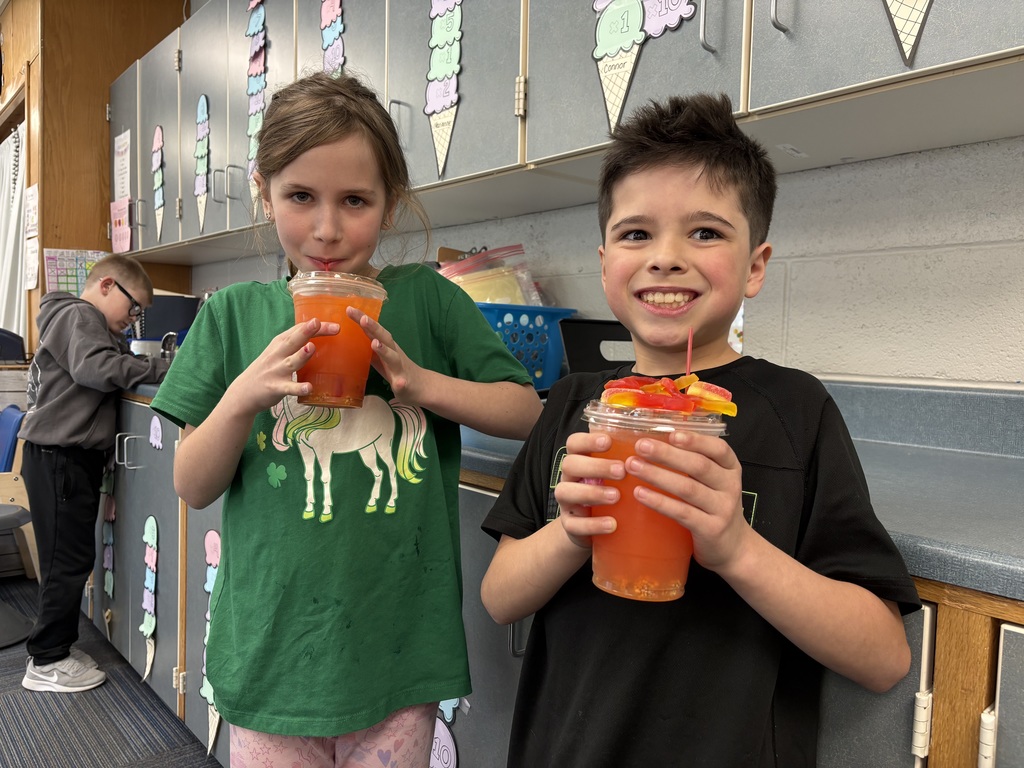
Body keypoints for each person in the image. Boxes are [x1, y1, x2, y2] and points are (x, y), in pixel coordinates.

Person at [480, 93, 921, 767]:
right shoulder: (572, 406)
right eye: (636, 234)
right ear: (604, 262)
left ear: (755, 266)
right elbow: (499, 598)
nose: (666, 257)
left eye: (706, 233)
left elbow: (884, 657)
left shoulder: (795, 412)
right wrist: (571, 532)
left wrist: (737, 549)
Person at [150, 71, 542, 768]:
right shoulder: (231, 316)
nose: (327, 229)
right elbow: (192, 484)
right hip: (271, 658)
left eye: (355, 200)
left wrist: (418, 383)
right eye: (300, 196)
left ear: (390, 205)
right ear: (265, 193)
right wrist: (241, 398)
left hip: (399, 655)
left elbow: (525, 411)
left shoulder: (430, 301)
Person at [20, 254, 169, 693]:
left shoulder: (81, 322)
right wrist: (164, 367)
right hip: (61, 458)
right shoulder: (80, 316)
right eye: (133, 306)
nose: (134, 318)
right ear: (106, 285)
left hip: (62, 458)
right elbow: (99, 369)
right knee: (66, 562)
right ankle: (47, 660)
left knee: (68, 557)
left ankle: (56, 650)